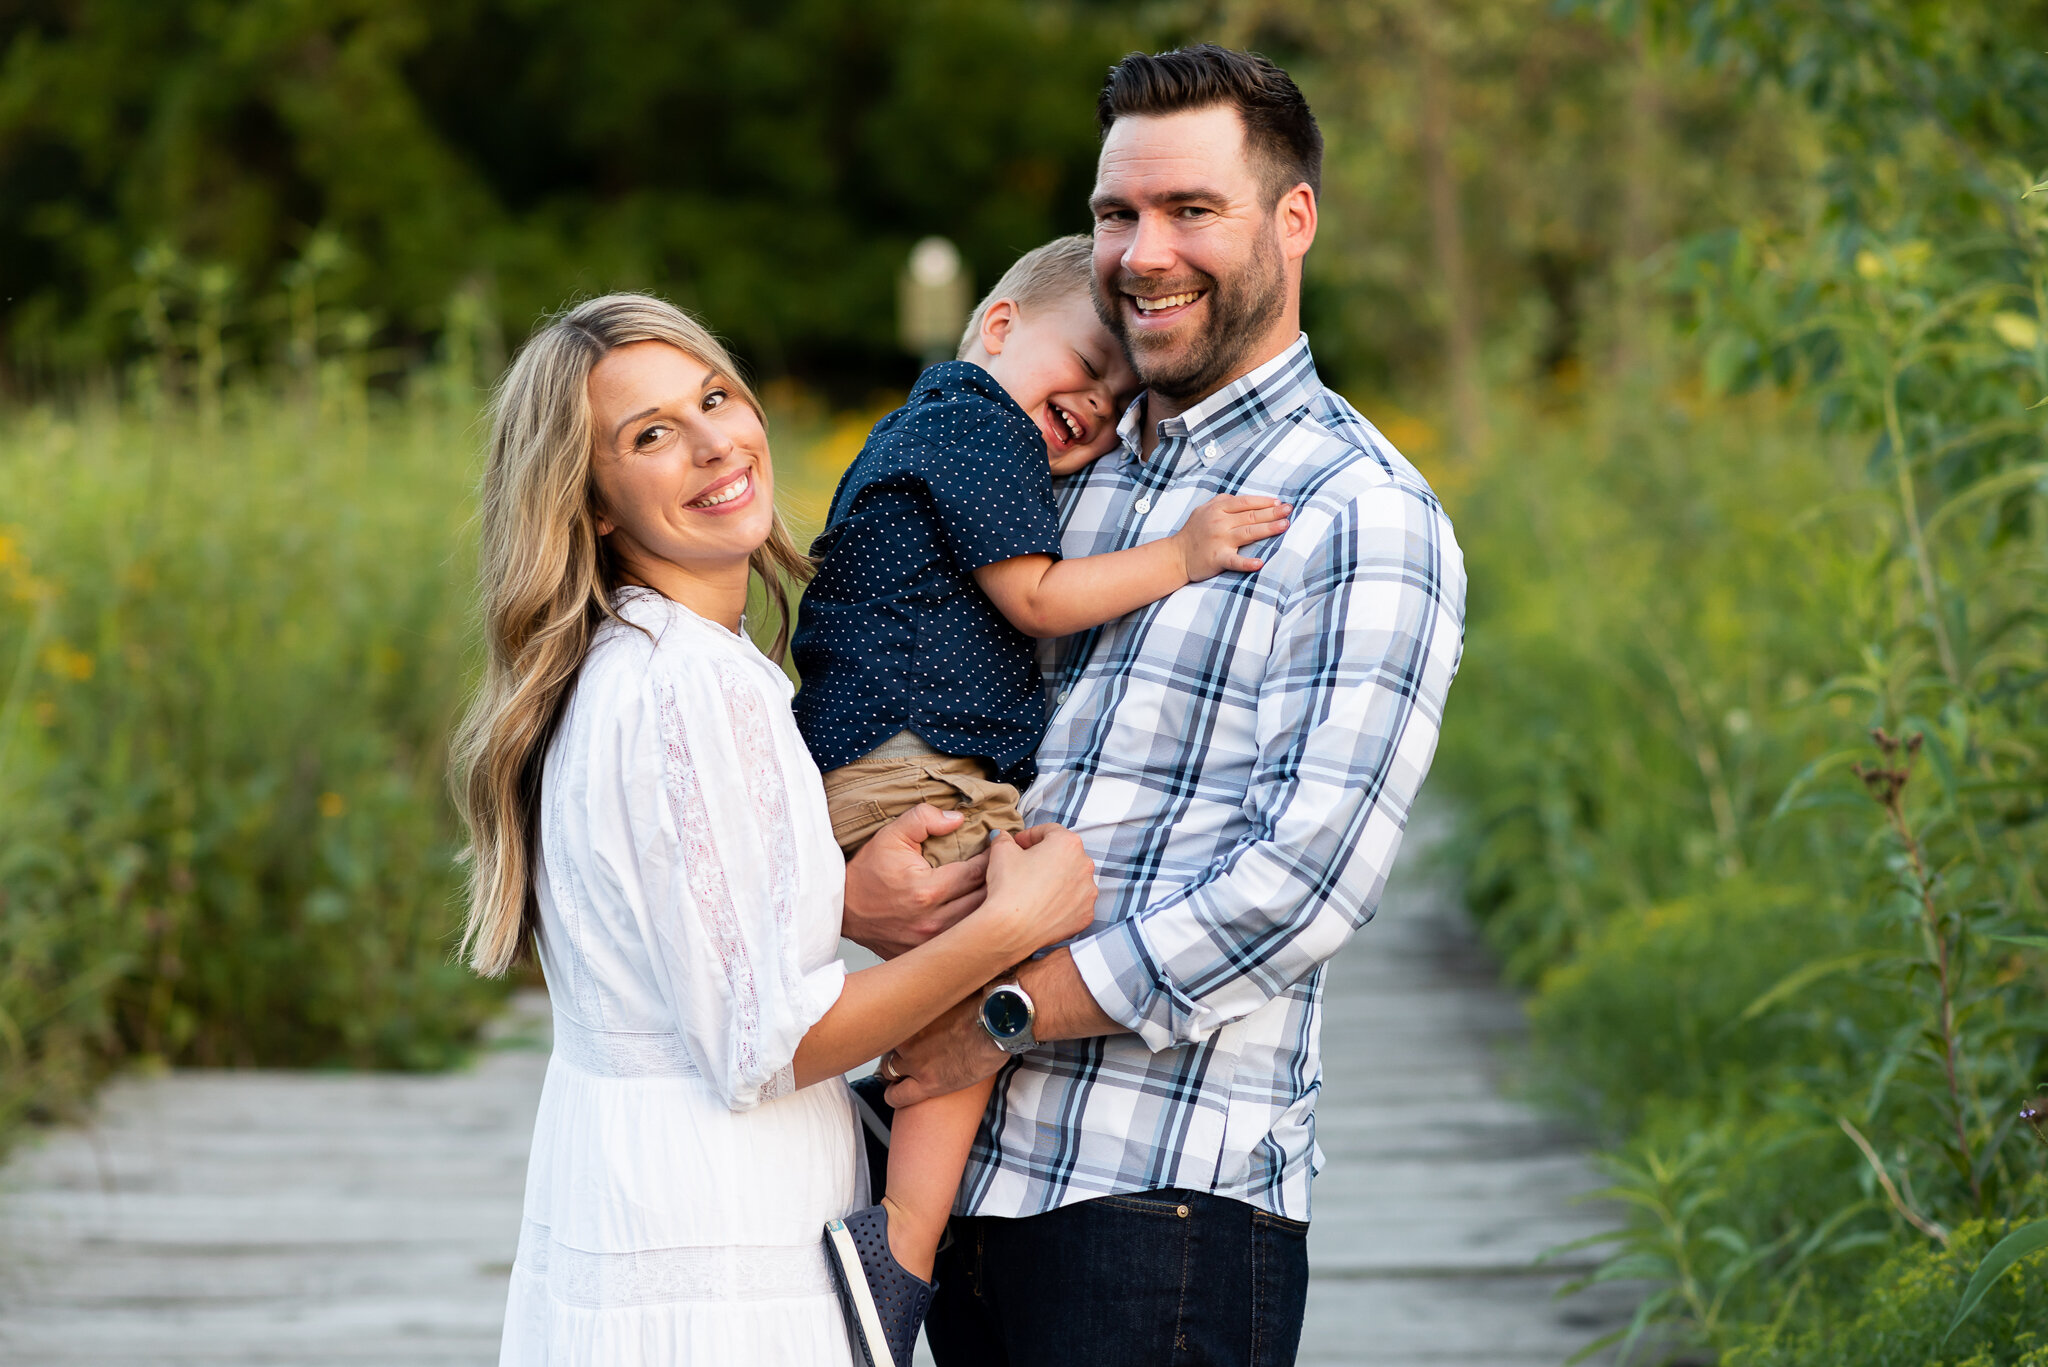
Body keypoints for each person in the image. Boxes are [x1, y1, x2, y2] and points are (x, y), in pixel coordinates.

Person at [871, 46, 1468, 1366]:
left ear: (1291, 220)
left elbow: (1301, 884)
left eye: (1191, 209)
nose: (1143, 252)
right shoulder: (1061, 459)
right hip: (957, 1186)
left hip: (1162, 1207)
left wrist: (1000, 1011)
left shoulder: (1360, 512)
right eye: (1115, 214)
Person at [448, 292, 1099, 1367]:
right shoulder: (688, 684)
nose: (714, 443)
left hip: (642, 1194)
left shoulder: (635, 662)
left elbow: (689, 952)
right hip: (718, 1229)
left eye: (713, 396)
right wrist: (1003, 930)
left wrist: (831, 897)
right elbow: (763, 1043)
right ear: (594, 502)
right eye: (650, 434)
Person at [790, 233, 1292, 1364]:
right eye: (1089, 367)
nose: (1102, 411)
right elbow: (1037, 597)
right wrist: (1183, 552)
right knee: (1001, 939)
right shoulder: (972, 418)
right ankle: (899, 1253)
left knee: (986, 942)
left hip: (883, 750)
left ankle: (889, 1105)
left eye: (1123, 401)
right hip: (907, 758)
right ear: (1001, 326)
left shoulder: (953, 429)